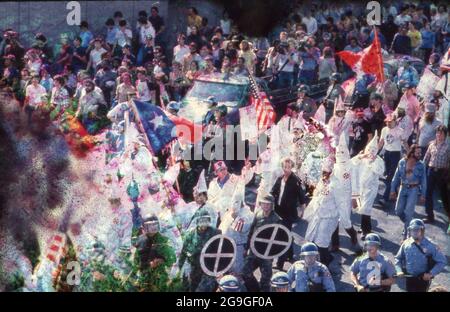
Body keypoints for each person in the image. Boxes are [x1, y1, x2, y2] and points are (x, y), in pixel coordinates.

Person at [395, 219, 447, 292]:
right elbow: (398, 258)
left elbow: (442, 261)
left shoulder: (431, 245)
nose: (414, 232)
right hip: (409, 278)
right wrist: (399, 270)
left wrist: (430, 273)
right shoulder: (406, 244)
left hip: (423, 279)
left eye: (417, 229)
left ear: (422, 231)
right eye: (412, 230)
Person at [272, 157, 305, 269]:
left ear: (292, 167)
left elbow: (301, 196)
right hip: (278, 211)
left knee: (282, 236)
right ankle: (290, 255)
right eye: (284, 167)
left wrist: (302, 210)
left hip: (288, 213)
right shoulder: (280, 178)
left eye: (288, 167)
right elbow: (273, 191)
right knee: (285, 234)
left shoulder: (295, 180)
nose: (286, 169)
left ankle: (279, 264)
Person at [242, 194, 281, 292]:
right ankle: (255, 289)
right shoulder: (258, 215)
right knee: (245, 272)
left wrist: (273, 254)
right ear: (261, 204)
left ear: (272, 205)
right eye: (264, 204)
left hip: (267, 253)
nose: (266, 206)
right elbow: (251, 232)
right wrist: (246, 248)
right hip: (254, 250)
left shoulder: (277, 219)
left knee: (265, 278)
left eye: (268, 204)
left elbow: (279, 240)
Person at [304, 158, 339, 266]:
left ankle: (325, 264)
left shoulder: (337, 184)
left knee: (322, 242)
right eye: (323, 172)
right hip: (318, 213)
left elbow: (340, 201)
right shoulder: (321, 181)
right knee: (312, 238)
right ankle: (323, 259)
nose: (325, 175)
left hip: (329, 216)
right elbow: (316, 194)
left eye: (327, 173)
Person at [350, 132, 385, 240]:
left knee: (366, 208)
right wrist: (360, 156)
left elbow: (380, 171)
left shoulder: (378, 160)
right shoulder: (362, 158)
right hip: (360, 188)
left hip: (370, 189)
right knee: (361, 208)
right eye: (369, 150)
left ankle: (366, 230)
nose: (370, 152)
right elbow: (351, 163)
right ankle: (364, 226)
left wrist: (373, 162)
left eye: (373, 151)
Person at [178, 208, 221, 292]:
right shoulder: (190, 235)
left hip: (209, 269)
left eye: (206, 220)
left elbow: (221, 251)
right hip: (195, 268)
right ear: (197, 221)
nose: (204, 224)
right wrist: (180, 269)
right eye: (202, 220)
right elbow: (183, 252)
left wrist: (219, 270)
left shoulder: (215, 233)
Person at [390, 145, 427, 239]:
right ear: (412, 153)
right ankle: (410, 223)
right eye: (418, 153)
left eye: (420, 153)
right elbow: (395, 177)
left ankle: (406, 233)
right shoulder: (402, 162)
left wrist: (423, 194)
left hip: (414, 190)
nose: (420, 154)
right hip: (403, 188)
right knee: (398, 211)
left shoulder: (421, 165)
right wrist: (392, 190)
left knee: (408, 212)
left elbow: (424, 180)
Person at [134, 215, 176, 291]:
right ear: (144, 227)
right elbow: (136, 260)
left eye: (154, 225)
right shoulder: (140, 240)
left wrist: (160, 261)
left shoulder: (163, 241)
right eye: (150, 226)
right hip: (144, 276)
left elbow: (172, 260)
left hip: (159, 277)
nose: (153, 228)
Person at [423, 125, 450, 223]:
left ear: (445, 135)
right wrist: (421, 171)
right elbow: (426, 159)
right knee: (428, 193)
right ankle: (429, 215)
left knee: (444, 196)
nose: (439, 135)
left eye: (441, 133)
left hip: (442, 173)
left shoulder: (448, 147)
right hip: (431, 171)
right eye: (437, 132)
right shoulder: (431, 145)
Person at [378, 114, 406, 206]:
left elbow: (404, 142)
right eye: (387, 122)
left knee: (390, 176)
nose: (388, 123)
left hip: (395, 154)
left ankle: (385, 198)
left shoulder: (400, 131)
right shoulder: (384, 129)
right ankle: (393, 192)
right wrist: (375, 152)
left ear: (395, 121)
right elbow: (381, 142)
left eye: (390, 121)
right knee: (387, 175)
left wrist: (410, 152)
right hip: (386, 153)